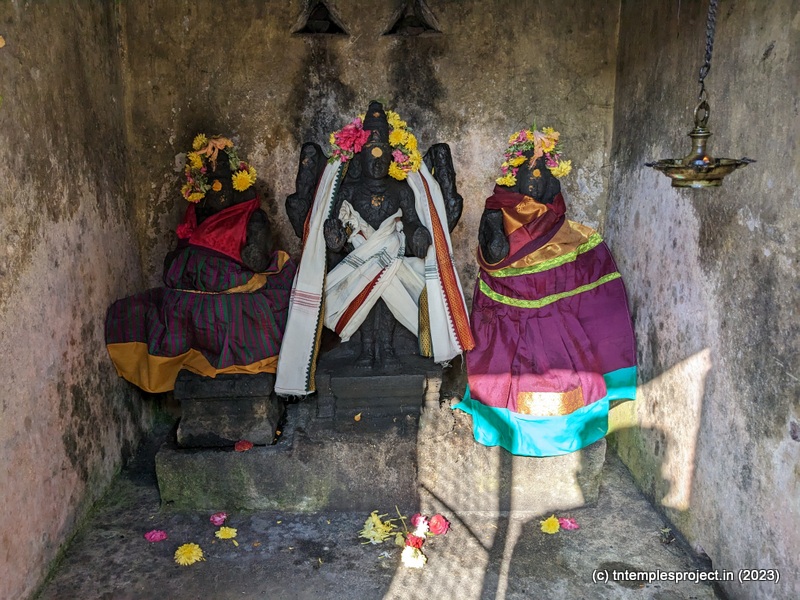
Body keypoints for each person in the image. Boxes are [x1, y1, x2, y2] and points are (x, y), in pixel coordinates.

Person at [454, 126, 637, 456]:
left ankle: (563, 424)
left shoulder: (558, 219)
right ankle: (511, 425)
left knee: (563, 370)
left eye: (542, 174)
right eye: (530, 173)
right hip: (510, 315)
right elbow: (493, 254)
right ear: (516, 176)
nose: (536, 182)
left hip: (556, 319)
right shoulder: (499, 208)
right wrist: (495, 221)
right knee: (509, 371)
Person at [276, 102, 473, 396]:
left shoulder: (400, 189)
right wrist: (335, 236)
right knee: (370, 282)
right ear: (360, 156)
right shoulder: (349, 190)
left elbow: (412, 221)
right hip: (358, 257)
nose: (378, 162)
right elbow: (337, 223)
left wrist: (418, 234)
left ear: (392, 157)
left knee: (388, 280)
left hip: (393, 256)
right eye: (371, 153)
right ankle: (367, 349)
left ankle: (388, 349)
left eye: (383, 154)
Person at [105, 135, 296, 393]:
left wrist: (251, 246)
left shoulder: (249, 211)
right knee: (170, 310)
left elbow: (257, 257)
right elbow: (180, 247)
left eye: (223, 182)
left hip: (232, 279)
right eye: (212, 180)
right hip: (194, 283)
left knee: (242, 309)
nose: (218, 191)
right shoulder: (198, 206)